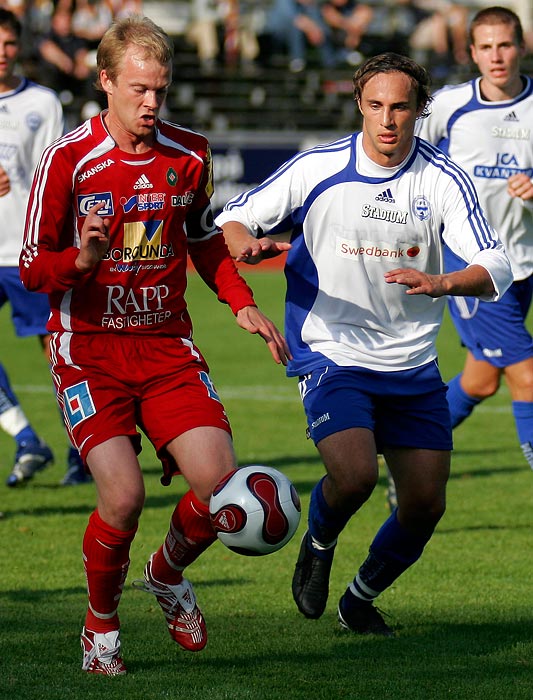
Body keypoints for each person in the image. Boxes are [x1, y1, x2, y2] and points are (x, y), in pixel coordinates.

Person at [19, 15, 289, 674]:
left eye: (159, 91)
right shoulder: (68, 158)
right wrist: (80, 263)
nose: (150, 103)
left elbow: (201, 239)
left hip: (165, 347)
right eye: (138, 88)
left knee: (219, 482)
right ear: (104, 81)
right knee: (123, 497)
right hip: (88, 348)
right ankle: (100, 628)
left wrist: (242, 302)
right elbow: (32, 265)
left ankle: (166, 575)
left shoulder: (188, 154)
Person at [216, 52, 512, 636]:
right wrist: (245, 239)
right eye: (375, 105)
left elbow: (496, 263)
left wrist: (443, 282)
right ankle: (319, 541)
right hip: (331, 350)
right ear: (359, 104)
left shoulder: (442, 178)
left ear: (419, 110)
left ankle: (360, 598)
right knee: (353, 476)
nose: (387, 119)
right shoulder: (316, 167)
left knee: (425, 506)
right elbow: (234, 215)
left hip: (411, 361)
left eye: (400, 107)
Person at [415, 7, 533, 474]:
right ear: (471, 53)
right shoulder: (448, 105)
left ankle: (408, 454)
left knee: (482, 381)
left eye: (504, 44)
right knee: (527, 377)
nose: (496, 56)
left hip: (524, 261)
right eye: (486, 47)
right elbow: (404, 154)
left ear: (521, 46)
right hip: (473, 264)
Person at [0, 8, 63, 487]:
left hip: (25, 248)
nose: (1, 54)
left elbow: (55, 179)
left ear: (18, 46)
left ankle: (86, 451)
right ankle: (26, 439)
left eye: (6, 44)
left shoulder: (42, 102)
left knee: (59, 353)